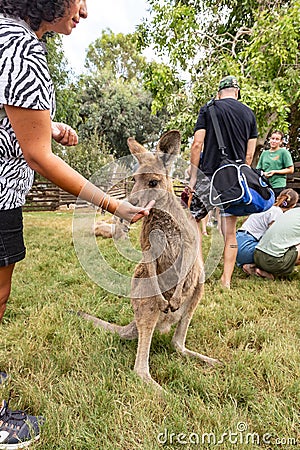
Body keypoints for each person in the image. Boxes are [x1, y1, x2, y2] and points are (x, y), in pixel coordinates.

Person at [0, 1, 154, 447]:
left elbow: (16, 124)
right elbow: (37, 156)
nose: (83, 11)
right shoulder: (23, 49)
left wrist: (48, 125)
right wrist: (114, 206)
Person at [188, 75, 258, 288]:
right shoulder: (249, 114)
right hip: (233, 179)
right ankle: (225, 280)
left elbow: (197, 145)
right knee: (230, 232)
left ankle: (198, 274)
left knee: (194, 222)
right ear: (237, 92)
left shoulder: (208, 109)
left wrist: (192, 177)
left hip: (208, 175)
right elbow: (249, 156)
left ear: (219, 92)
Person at [236, 189, 299, 273]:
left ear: (278, 197)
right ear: (293, 206)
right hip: (247, 247)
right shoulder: (277, 213)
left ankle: (252, 266)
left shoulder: (266, 207)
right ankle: (259, 268)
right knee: (275, 252)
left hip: (236, 244)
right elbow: (273, 238)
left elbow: (245, 221)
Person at [250, 207, 300, 279]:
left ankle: (265, 272)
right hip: (274, 261)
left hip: (257, 256)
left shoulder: (293, 211)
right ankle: (274, 272)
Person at [256, 130, 294, 198]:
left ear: (281, 141)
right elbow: (258, 169)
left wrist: (275, 171)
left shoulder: (284, 152)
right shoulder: (264, 153)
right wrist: (263, 174)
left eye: (277, 139)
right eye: (272, 138)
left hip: (278, 185)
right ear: (269, 139)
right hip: (265, 185)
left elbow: (291, 169)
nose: (274, 141)